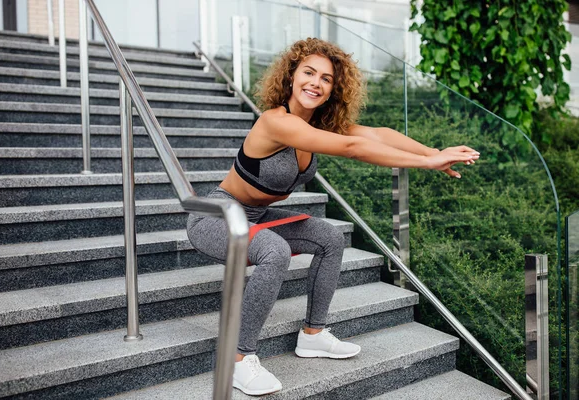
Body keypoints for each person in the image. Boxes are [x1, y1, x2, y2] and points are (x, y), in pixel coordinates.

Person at [186, 37, 479, 396]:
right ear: (291, 77)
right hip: (218, 217)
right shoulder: (275, 122)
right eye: (309, 72)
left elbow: (376, 134)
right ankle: (237, 357)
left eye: (326, 79)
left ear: (333, 89)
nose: (316, 83)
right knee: (274, 251)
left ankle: (313, 335)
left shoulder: (320, 125)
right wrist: (426, 164)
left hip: (257, 215)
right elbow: (353, 148)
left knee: (328, 238)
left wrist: (434, 152)